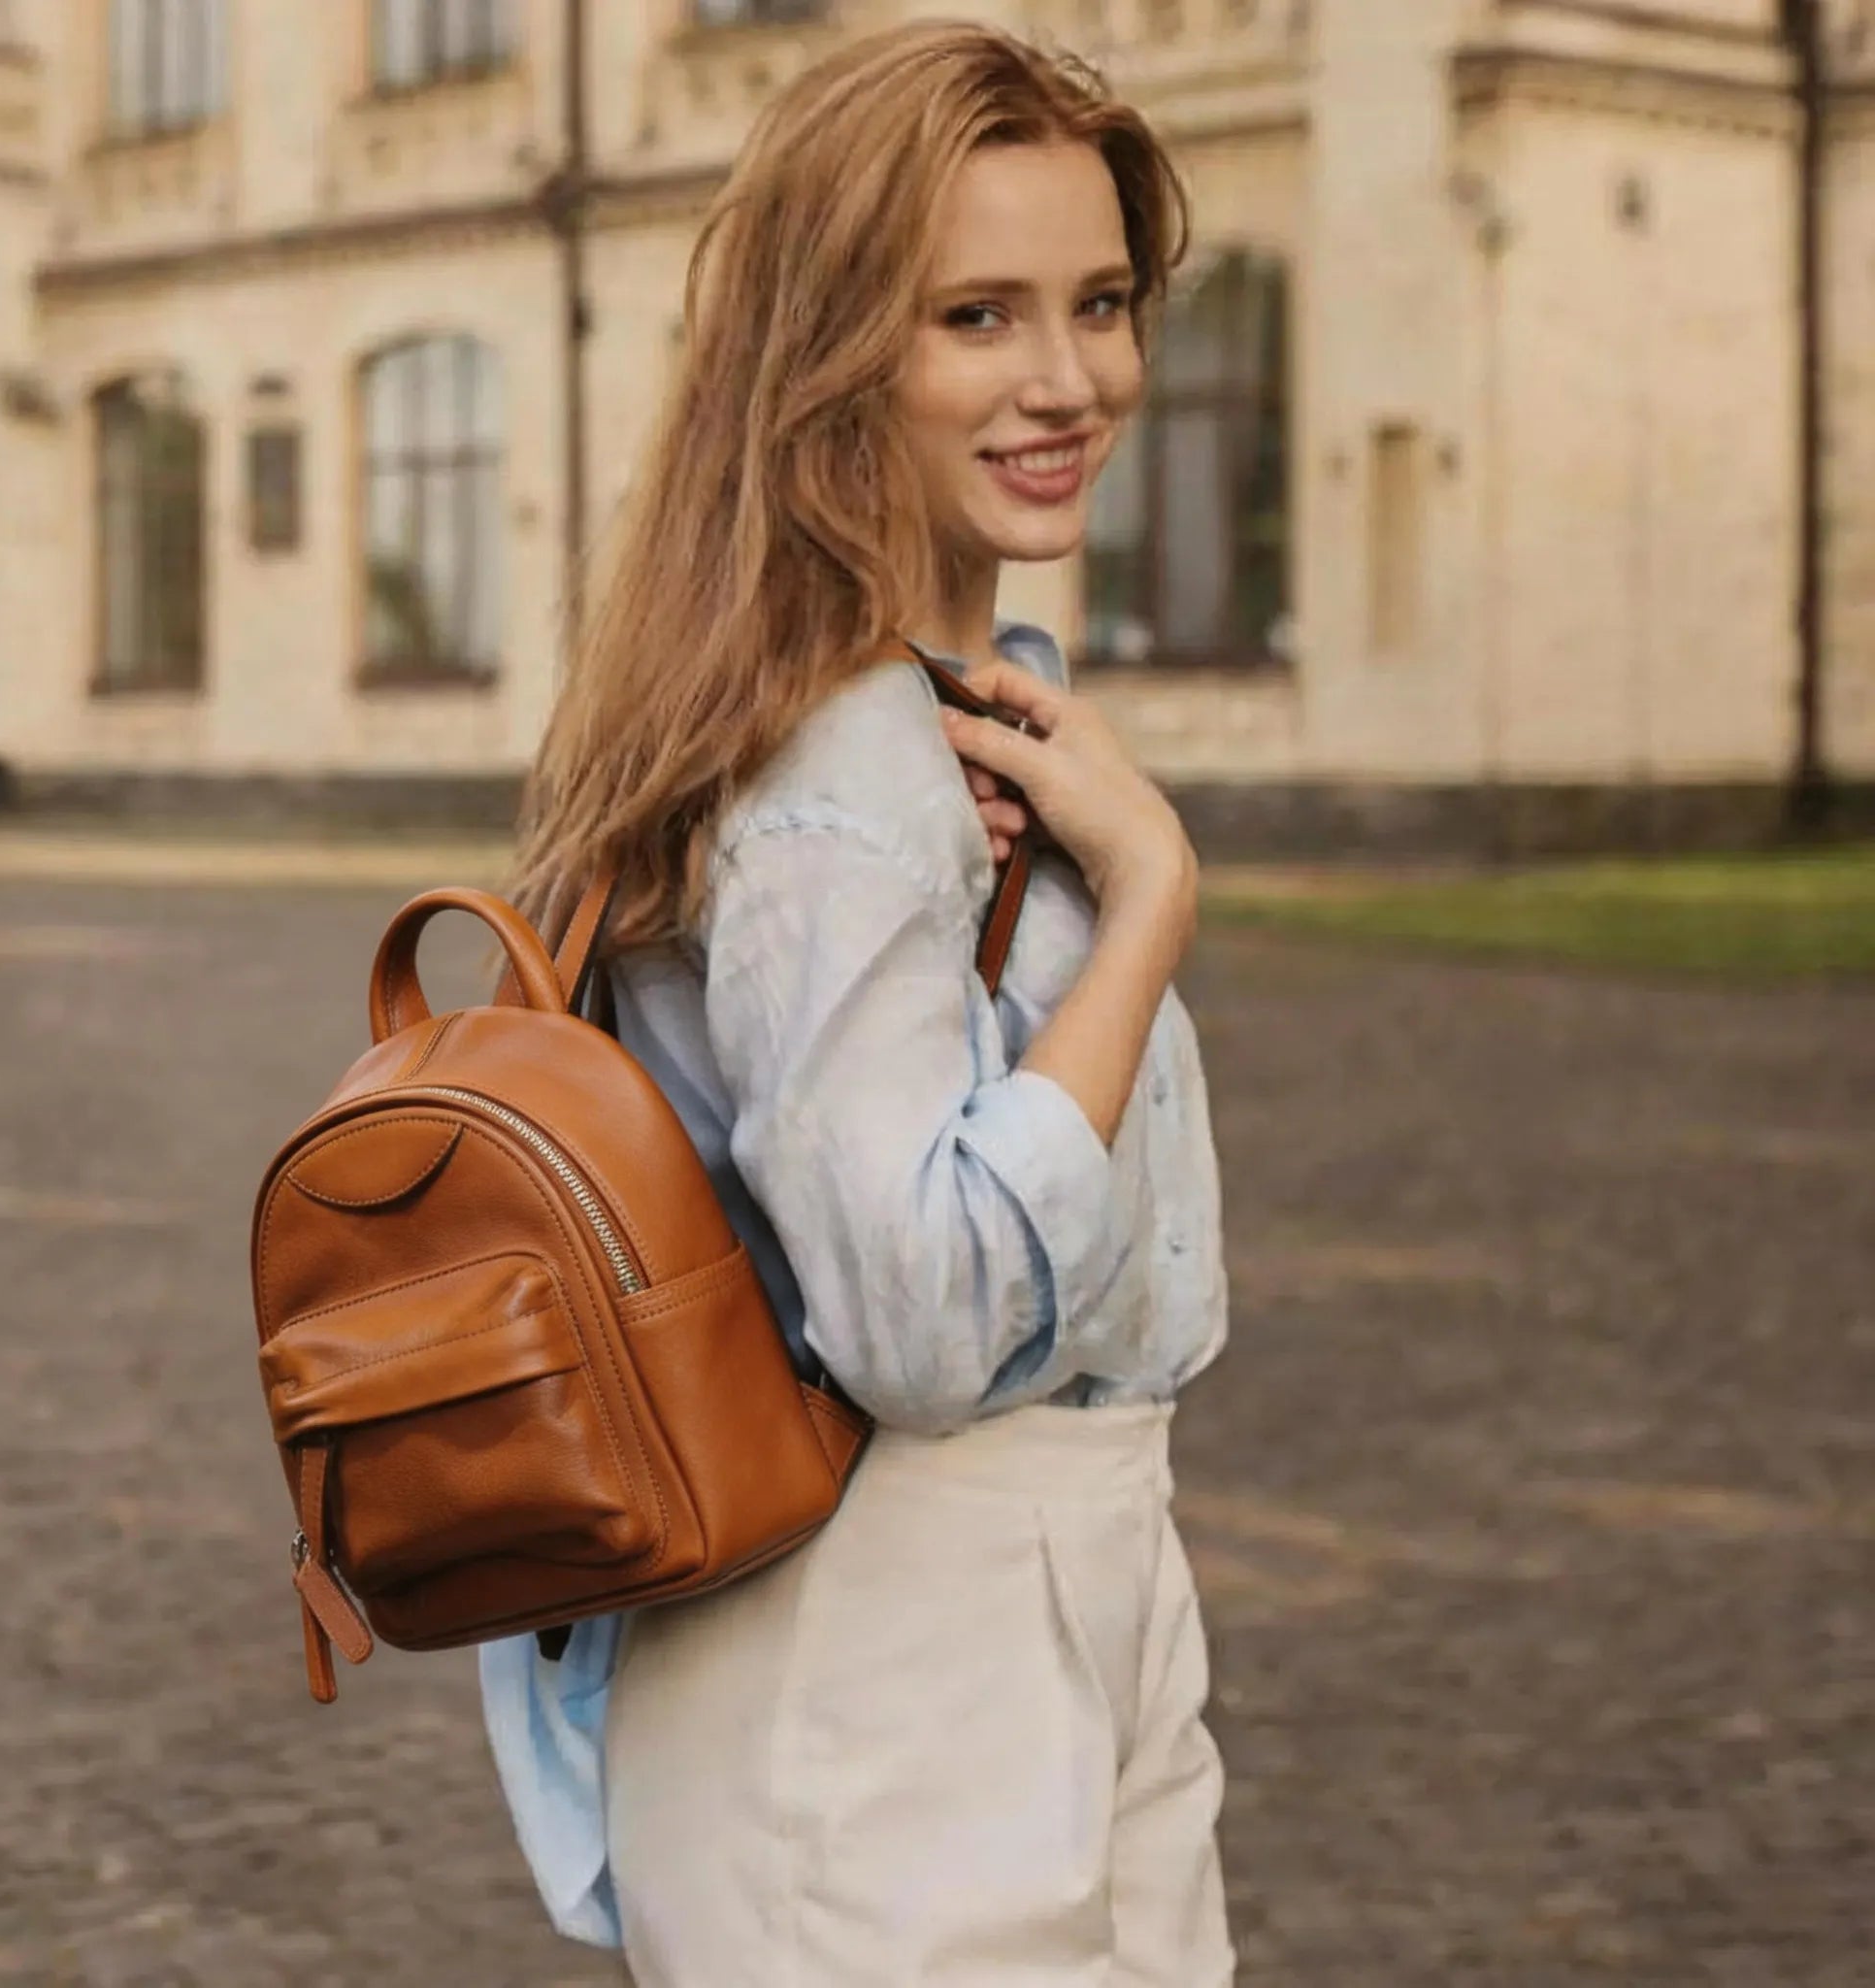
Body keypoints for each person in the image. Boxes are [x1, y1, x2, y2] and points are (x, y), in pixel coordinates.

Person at [479, 20, 1234, 1984]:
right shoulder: (844, 767)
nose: (1065, 380)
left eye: (1098, 304)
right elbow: (917, 1313)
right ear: (829, 357)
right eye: (971, 316)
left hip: (1055, 1600)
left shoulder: (961, 709)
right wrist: (1147, 893)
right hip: (892, 1659)